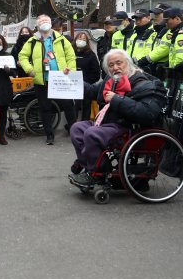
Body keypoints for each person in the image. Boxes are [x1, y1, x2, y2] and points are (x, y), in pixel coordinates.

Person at [68, 49, 166, 187]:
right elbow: (92, 91)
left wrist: (117, 99)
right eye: (111, 65)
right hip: (108, 123)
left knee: (92, 133)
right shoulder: (111, 80)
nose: (115, 67)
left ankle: (94, 172)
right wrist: (71, 78)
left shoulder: (143, 83)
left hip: (129, 127)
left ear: (129, 63)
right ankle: (89, 164)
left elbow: (147, 113)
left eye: (119, 63)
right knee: (77, 128)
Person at [17, 14, 77, 145]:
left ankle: (74, 132)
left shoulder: (61, 39)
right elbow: (22, 56)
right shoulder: (32, 40)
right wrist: (30, 70)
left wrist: (70, 68)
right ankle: (49, 135)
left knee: (68, 105)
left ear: (50, 23)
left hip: (61, 79)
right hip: (42, 80)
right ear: (37, 25)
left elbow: (71, 55)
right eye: (42, 21)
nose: (44, 22)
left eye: (46, 20)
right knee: (45, 108)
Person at [73, 31, 101, 122]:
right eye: (79, 38)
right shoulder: (70, 53)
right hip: (72, 86)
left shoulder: (91, 55)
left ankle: (84, 124)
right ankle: (71, 124)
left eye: (84, 39)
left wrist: (85, 82)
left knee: (86, 105)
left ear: (87, 42)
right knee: (74, 106)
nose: (81, 40)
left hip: (86, 85)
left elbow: (96, 73)